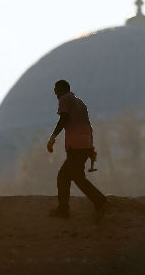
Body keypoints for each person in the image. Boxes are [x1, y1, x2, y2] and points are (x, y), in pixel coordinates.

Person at [47, 79, 107, 222]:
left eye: (56, 88)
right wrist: (91, 147)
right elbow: (88, 126)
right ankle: (63, 210)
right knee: (64, 176)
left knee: (77, 178)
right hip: (84, 145)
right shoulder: (80, 103)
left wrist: (52, 137)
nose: (54, 92)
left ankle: (100, 202)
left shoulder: (65, 99)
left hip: (75, 146)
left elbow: (64, 118)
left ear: (62, 89)